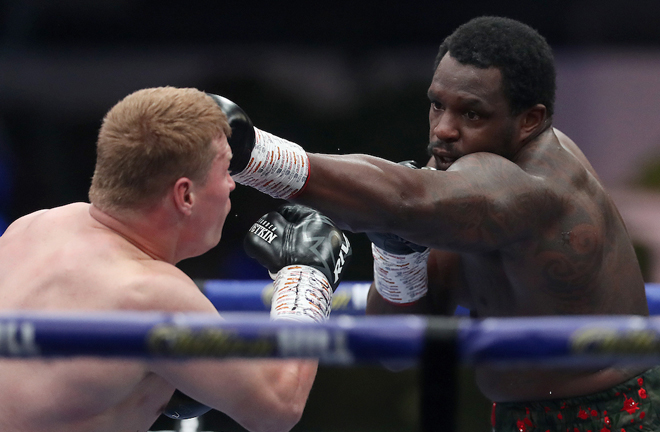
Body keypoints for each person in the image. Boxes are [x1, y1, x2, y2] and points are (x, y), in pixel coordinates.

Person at [210, 16, 659, 432]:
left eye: (472, 113)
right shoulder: (455, 176)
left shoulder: (537, 186)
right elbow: (398, 349)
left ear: (530, 121)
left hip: (616, 417)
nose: (444, 129)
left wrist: (252, 154)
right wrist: (396, 251)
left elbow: (408, 199)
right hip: (516, 417)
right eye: (437, 105)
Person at [0, 86, 352, 432]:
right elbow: (278, 407)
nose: (232, 185)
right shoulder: (151, 294)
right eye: (225, 170)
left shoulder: (33, 227)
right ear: (185, 194)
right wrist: (306, 277)